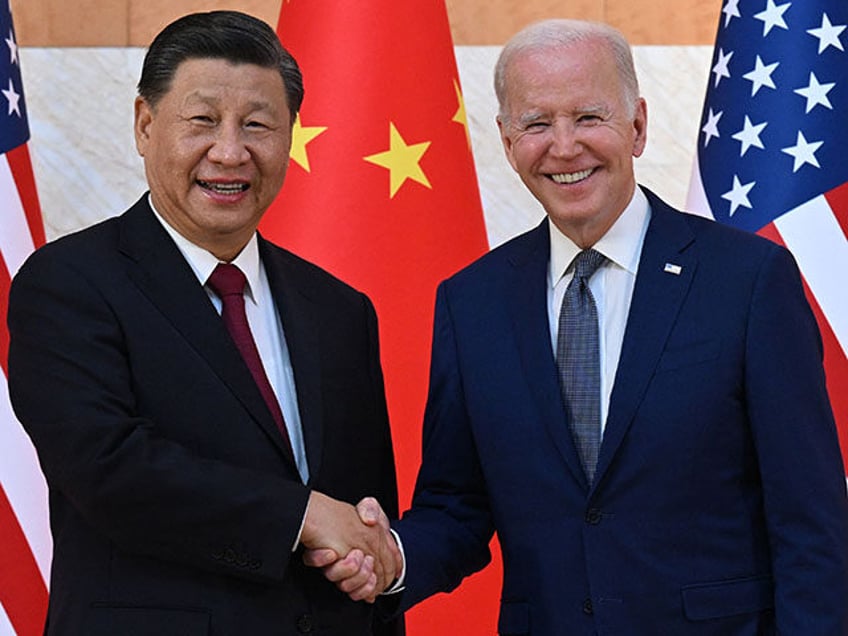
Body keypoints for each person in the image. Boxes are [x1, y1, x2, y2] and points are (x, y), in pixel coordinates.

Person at [307, 19, 848, 634]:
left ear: (637, 126)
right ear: (507, 141)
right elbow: (458, 505)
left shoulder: (748, 279)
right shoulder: (472, 302)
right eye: (537, 124)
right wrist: (391, 558)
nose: (563, 147)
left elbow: (811, 521)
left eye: (588, 117)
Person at [8, 11, 403, 636]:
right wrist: (299, 516)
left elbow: (364, 515)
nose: (229, 151)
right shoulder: (69, 283)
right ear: (145, 124)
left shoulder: (338, 308)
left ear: (291, 136)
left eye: (257, 125)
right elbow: (109, 471)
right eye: (202, 121)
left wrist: (372, 562)